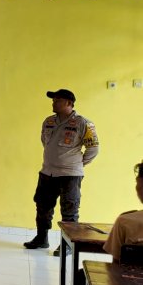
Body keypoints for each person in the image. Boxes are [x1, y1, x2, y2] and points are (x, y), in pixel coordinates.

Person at [24, 89, 99, 255]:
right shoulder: (48, 121)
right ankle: (41, 238)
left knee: (69, 211)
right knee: (43, 206)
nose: (53, 102)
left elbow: (93, 149)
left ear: (69, 103)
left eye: (57, 100)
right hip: (47, 172)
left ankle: (67, 246)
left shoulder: (83, 123)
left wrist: (76, 164)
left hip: (70, 176)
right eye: (53, 100)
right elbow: (45, 141)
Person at [102, 160, 143, 263]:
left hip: (130, 278)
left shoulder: (125, 221)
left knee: (81, 274)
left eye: (137, 182)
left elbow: (116, 265)